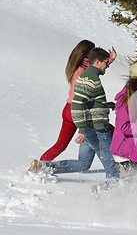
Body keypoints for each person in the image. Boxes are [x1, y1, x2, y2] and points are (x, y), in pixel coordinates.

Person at [28, 47, 120, 188]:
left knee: (83, 164)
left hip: (91, 127)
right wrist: (82, 129)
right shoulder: (90, 80)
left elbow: (88, 101)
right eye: (106, 63)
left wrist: (103, 105)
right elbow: (77, 104)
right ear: (97, 62)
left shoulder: (87, 76)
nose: (107, 67)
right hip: (97, 129)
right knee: (109, 159)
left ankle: (44, 168)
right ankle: (107, 190)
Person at [39, 40, 116, 162]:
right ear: (86, 55)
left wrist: (109, 60)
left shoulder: (77, 67)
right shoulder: (83, 73)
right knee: (112, 134)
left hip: (68, 110)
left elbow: (96, 68)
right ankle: (125, 167)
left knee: (60, 145)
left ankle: (39, 166)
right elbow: (81, 99)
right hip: (77, 111)